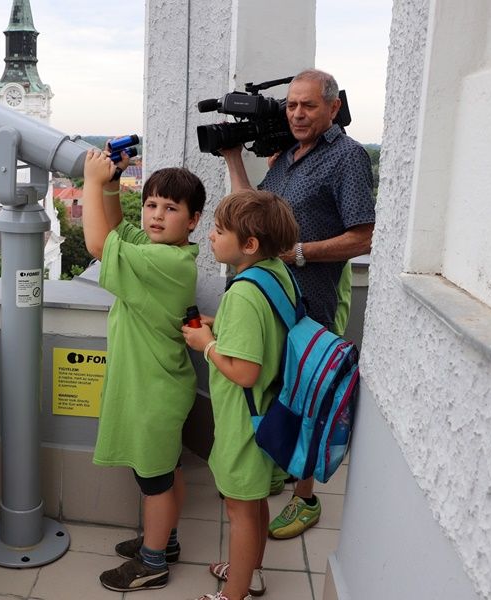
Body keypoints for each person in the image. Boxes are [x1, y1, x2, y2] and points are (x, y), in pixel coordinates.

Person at [220, 68, 375, 545]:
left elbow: (364, 236)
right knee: (277, 385)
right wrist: (233, 158)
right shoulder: (285, 156)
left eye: (308, 105)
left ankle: (305, 497)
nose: (298, 114)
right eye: (291, 106)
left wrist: (301, 253)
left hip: (312, 300)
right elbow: (252, 214)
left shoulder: (347, 157)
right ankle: (276, 465)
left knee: (306, 392)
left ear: (333, 107)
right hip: (276, 296)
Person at [82, 146, 207, 592]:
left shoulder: (165, 262)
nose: (156, 215)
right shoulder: (163, 251)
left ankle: (153, 562)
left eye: (171, 208)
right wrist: (113, 185)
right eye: (151, 204)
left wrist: (91, 181)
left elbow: (99, 244)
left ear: (192, 221)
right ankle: (165, 541)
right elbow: (118, 229)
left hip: (152, 394)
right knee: (166, 471)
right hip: (159, 387)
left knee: (154, 482)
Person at [182, 189, 299, 600]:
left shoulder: (243, 294)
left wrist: (206, 344)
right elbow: (267, 329)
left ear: (248, 245)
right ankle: (251, 571)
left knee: (240, 510)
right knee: (256, 501)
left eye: (219, 230)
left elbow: (246, 373)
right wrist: (221, 324)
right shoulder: (275, 273)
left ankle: (233, 595)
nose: (211, 236)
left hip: (246, 421)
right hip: (271, 412)